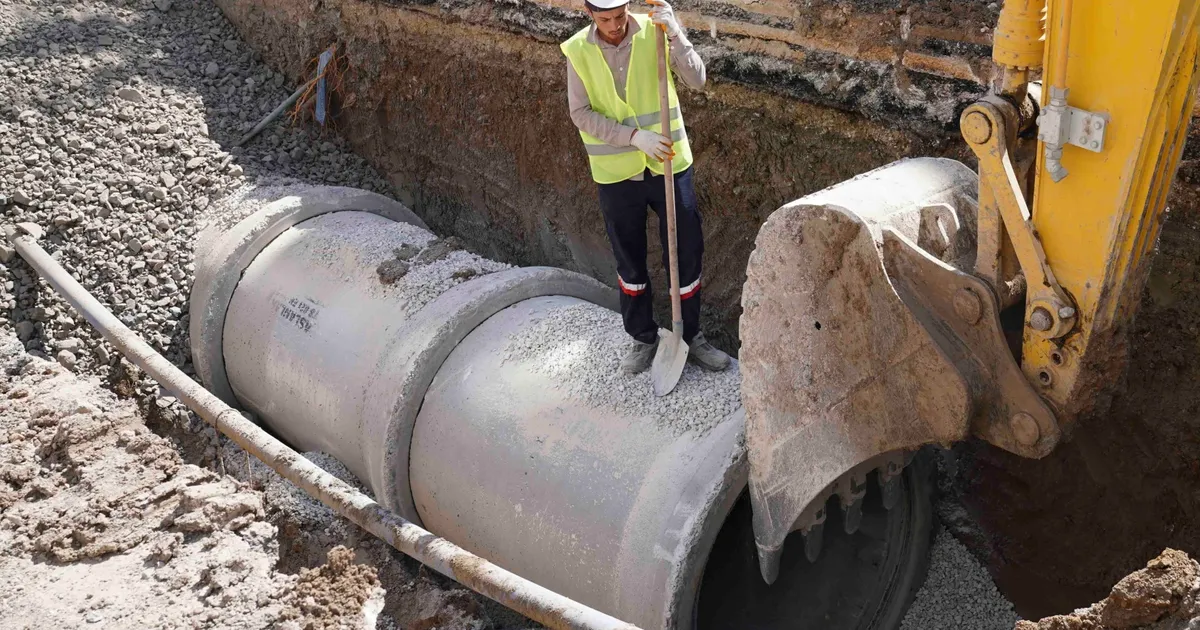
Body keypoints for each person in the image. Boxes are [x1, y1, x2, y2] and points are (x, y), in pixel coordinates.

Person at [560, 0, 731, 375]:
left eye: (620, 16)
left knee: (686, 252)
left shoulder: (654, 31)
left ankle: (691, 336)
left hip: (669, 165)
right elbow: (580, 113)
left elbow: (697, 80)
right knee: (630, 259)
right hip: (617, 174)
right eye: (605, 19)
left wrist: (676, 34)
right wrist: (634, 137)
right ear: (589, 14)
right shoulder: (577, 50)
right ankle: (643, 338)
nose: (615, 25)